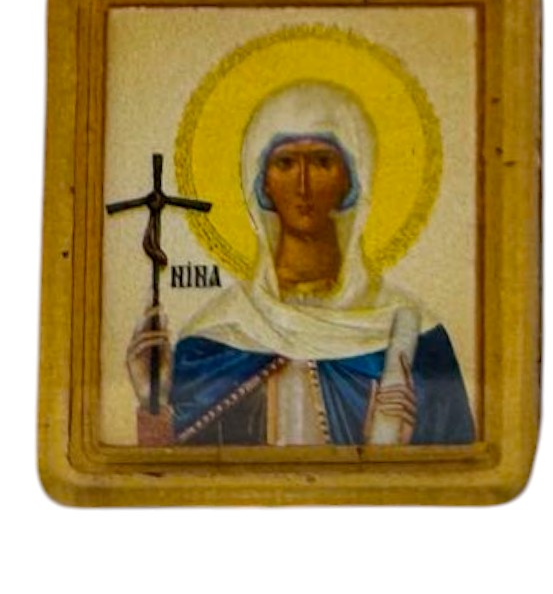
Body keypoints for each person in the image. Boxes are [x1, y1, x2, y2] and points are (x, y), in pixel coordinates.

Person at [127, 81, 475, 447]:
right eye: (285, 163)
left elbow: (456, 467)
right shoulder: (215, 339)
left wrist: (393, 449)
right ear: (261, 181)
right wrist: (154, 402)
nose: (303, 184)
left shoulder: (416, 338)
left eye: (322, 162)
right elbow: (174, 475)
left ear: (353, 178)